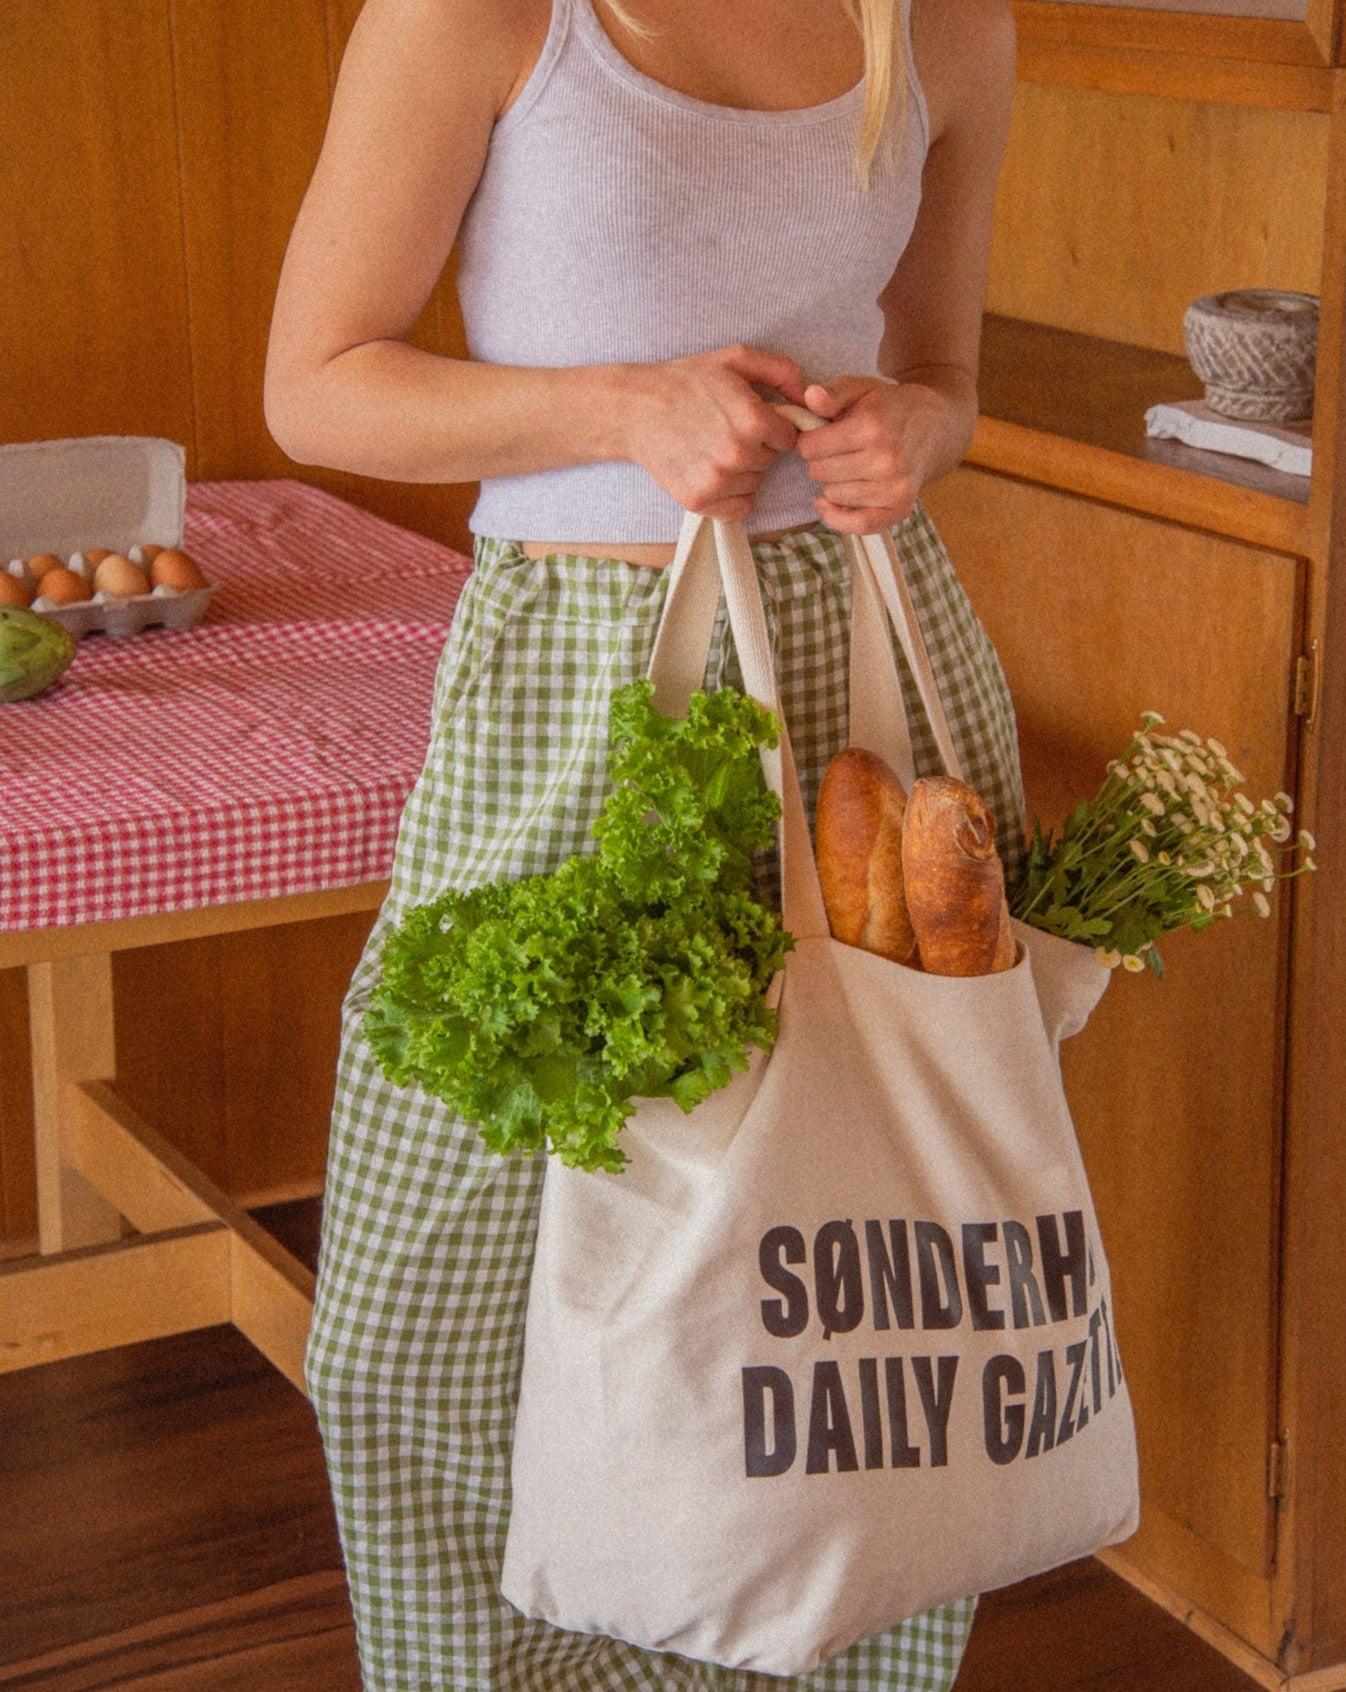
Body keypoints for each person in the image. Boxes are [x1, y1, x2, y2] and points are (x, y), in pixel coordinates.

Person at [264, 0, 1024, 1684]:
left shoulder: (948, 27)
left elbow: (949, 370)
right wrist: (621, 410)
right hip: (574, 685)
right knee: (426, 1309)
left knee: (843, 1266)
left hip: (862, 689)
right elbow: (315, 386)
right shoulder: (485, 17)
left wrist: (922, 428)